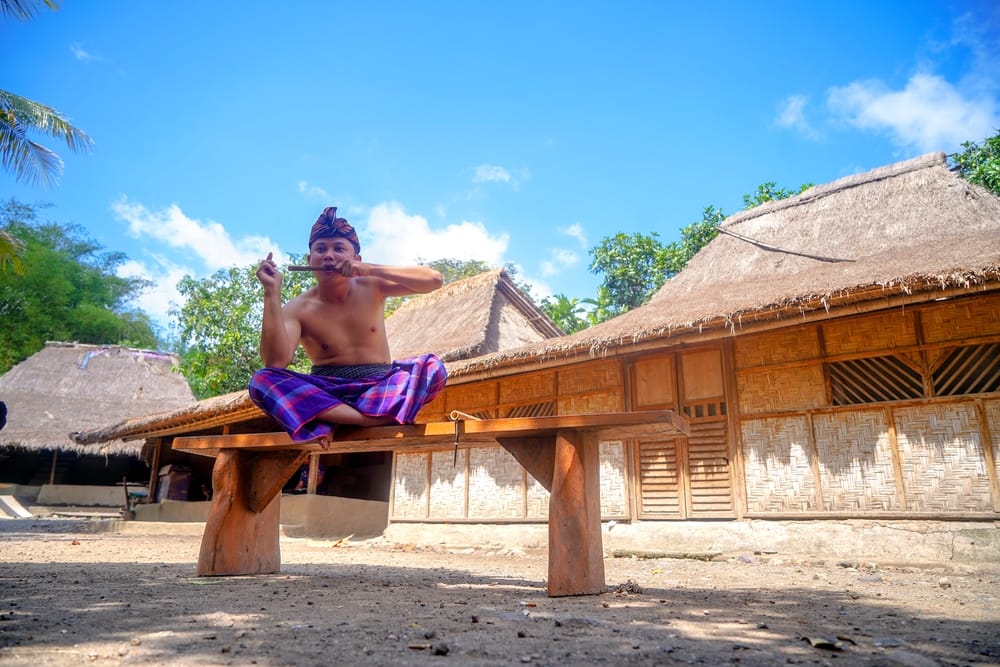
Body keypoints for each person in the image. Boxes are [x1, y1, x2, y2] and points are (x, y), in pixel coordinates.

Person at [248, 207, 447, 445]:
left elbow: (434, 280)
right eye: (321, 249)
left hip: (379, 386)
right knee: (261, 381)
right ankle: (368, 420)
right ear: (309, 260)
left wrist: (369, 269)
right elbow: (276, 363)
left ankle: (336, 420)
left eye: (339, 248)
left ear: (356, 259)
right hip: (327, 392)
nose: (329, 256)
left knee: (433, 368)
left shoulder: (372, 285)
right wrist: (271, 293)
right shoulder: (297, 308)